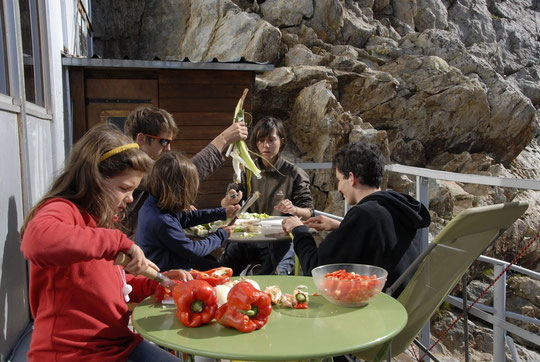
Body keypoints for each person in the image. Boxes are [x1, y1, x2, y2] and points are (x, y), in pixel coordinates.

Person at [20, 123, 192, 362]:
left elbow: (110, 284)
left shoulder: (100, 222)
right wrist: (119, 242)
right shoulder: (61, 209)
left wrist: (155, 283)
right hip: (74, 353)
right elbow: (36, 241)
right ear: (93, 179)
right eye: (124, 188)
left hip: (118, 342)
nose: (130, 199)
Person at [282, 142, 431, 296]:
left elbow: (317, 268)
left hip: (374, 307)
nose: (339, 188)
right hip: (404, 301)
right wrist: (341, 226)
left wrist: (298, 230)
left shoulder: (364, 214)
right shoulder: (396, 206)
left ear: (351, 178)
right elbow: (383, 238)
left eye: (339, 179)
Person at [122, 105, 246, 238]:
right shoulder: (132, 165)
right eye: (163, 142)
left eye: (170, 142)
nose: (168, 148)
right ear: (142, 139)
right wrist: (223, 139)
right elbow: (181, 176)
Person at [221, 116, 314, 275]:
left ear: (282, 141)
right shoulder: (246, 170)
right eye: (261, 140)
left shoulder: (294, 174)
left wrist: (294, 209)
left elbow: (309, 212)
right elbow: (225, 204)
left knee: (276, 279)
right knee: (223, 272)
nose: (266, 145)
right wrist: (229, 199)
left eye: (271, 140)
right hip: (246, 239)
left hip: (279, 241)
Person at [137, 151, 239, 271]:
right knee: (225, 271)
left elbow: (188, 217)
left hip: (174, 262)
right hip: (166, 274)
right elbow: (193, 250)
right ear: (178, 190)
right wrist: (222, 235)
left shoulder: (156, 204)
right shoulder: (161, 220)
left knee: (217, 265)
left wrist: (222, 212)